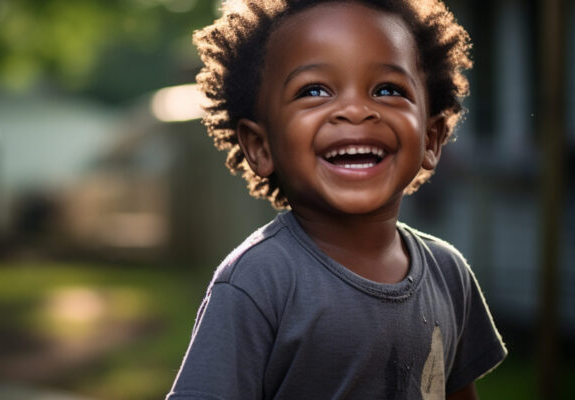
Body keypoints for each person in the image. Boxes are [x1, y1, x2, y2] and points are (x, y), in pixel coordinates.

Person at [167, 0, 507, 399]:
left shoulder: (449, 275)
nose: (356, 110)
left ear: (431, 139)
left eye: (387, 89)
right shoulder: (259, 282)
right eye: (314, 90)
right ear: (260, 145)